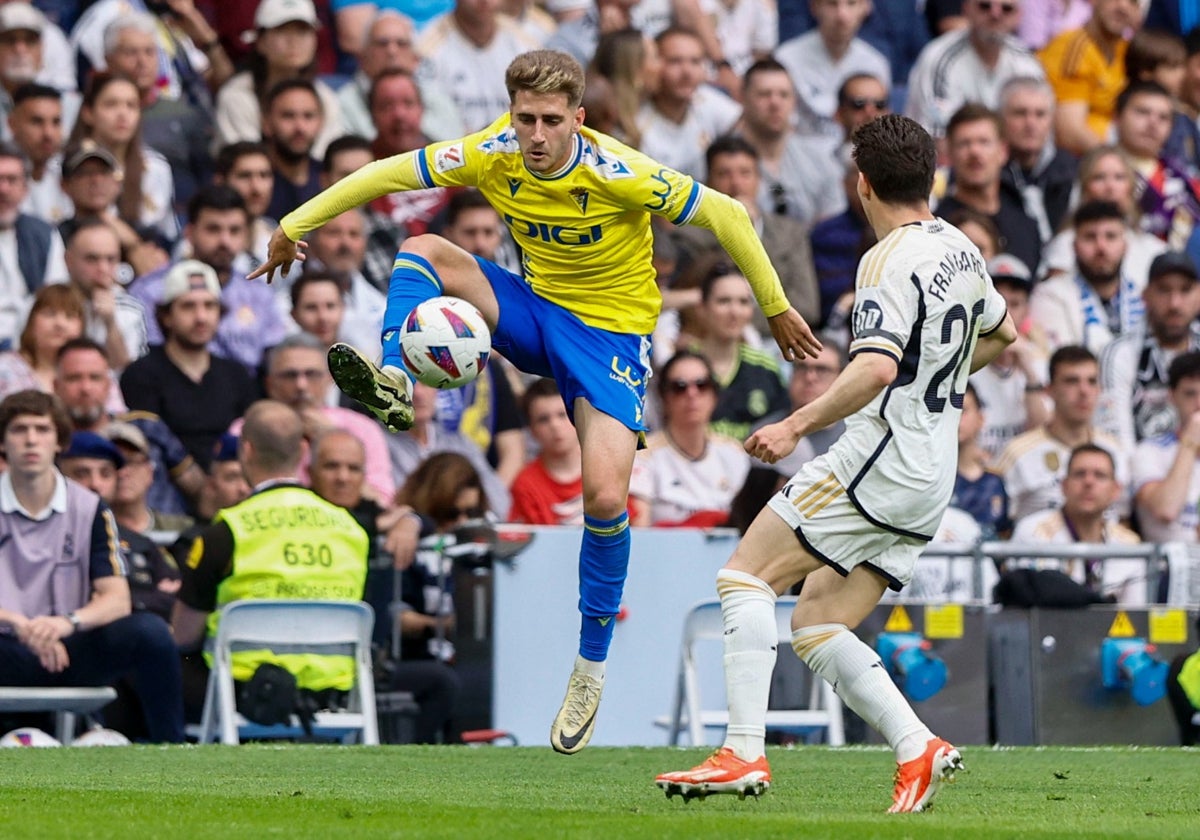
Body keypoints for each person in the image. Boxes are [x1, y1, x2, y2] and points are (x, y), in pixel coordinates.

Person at [250, 48, 820, 755]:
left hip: (609, 338)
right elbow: (383, 173)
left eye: (553, 120)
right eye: (527, 119)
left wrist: (775, 307)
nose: (538, 134)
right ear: (511, 114)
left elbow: (730, 214)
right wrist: (294, 225)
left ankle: (589, 665)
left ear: (578, 119)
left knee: (606, 500)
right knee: (425, 245)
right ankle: (395, 375)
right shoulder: (493, 151)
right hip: (532, 310)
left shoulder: (621, 171)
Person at [655, 114, 1017, 812]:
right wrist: (934, 385)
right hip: (931, 476)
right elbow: (1001, 332)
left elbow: (876, 367)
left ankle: (742, 751)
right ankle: (918, 747)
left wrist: (794, 423)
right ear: (931, 178)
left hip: (879, 460)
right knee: (817, 624)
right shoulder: (963, 249)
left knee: (743, 577)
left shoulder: (886, 260)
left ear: (862, 185)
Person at [0, 389, 184, 742]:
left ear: (59, 442)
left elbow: (116, 599)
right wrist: (22, 625)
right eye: (19, 430)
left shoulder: (90, 507)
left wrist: (64, 625)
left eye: (42, 429)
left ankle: (172, 749)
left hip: (69, 647)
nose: (31, 440)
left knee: (149, 632)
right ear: (3, 443)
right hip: (8, 645)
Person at [171, 400, 370, 722]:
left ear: (246, 450)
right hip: (330, 687)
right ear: (304, 452)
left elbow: (183, 635)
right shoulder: (351, 528)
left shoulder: (228, 530)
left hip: (239, 687)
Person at [120, 260, 259, 471]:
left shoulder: (236, 375)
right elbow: (149, 443)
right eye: (188, 306)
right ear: (167, 316)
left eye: (209, 306)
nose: (201, 317)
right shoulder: (141, 374)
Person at [994, 345, 1130, 521]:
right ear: (1049, 390)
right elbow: (1000, 529)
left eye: (1091, 381)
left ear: (1099, 390)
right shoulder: (1017, 453)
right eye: (1071, 381)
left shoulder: (1115, 450)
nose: (1083, 391)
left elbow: (1124, 521)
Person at [1008, 444, 1145, 604]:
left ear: (1115, 490)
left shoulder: (1130, 546)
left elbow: (1136, 616)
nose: (1088, 482)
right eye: (1080, 474)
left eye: (1099, 475)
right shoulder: (1032, 532)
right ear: (1064, 486)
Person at [629, 350, 751, 527]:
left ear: (714, 395)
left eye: (701, 385)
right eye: (679, 387)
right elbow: (641, 533)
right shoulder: (643, 458)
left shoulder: (734, 453)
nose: (692, 394)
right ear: (664, 398)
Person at [1099, 250, 1200, 451]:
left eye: (1185, 290)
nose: (1175, 304)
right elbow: (1115, 439)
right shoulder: (1120, 353)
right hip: (1139, 474)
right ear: (1145, 295)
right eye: (1164, 290)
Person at [1031, 200, 1145, 355]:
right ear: (1074, 246)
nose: (1101, 247)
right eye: (1090, 237)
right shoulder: (1050, 295)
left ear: (1125, 246)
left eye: (1110, 236)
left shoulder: (1145, 294)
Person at [691, 264, 790, 441]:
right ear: (702, 308)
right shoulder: (683, 365)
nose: (734, 312)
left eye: (743, 302)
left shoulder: (766, 368)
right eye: (723, 301)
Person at [1038, 0, 1137, 156]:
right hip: (1075, 162)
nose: (1123, 7)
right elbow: (1069, 132)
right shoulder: (1075, 47)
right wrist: (1121, 164)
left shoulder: (1126, 50)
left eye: (1133, 2)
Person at [1132, 350, 1200, 544]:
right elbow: (1166, 509)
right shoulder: (1149, 451)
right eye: (1190, 394)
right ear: (1171, 396)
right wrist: (1189, 442)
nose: (1199, 404)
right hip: (1169, 569)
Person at [509, 377, 584, 525]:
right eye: (543, 419)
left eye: (563, 415)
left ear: (579, 417)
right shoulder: (524, 485)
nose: (555, 425)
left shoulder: (606, 471)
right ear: (531, 430)